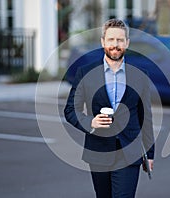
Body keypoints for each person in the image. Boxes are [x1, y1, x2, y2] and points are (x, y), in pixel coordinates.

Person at [64, 18, 155, 198]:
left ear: (127, 43)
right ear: (103, 42)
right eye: (111, 40)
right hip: (98, 151)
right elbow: (70, 110)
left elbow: (146, 118)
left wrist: (150, 153)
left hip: (129, 152)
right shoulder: (85, 73)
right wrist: (91, 122)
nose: (116, 44)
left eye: (120, 40)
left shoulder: (140, 76)